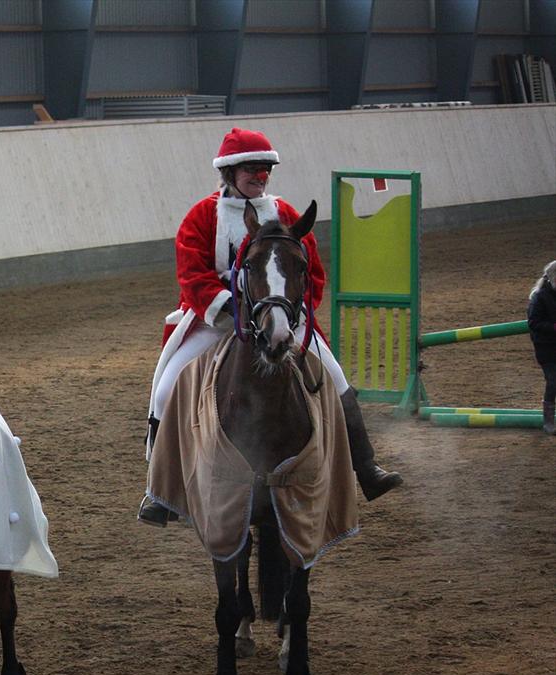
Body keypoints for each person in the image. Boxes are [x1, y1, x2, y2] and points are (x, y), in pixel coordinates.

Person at [139, 128, 401, 526]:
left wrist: (291, 312)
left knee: (336, 376)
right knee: (166, 387)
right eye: (251, 169)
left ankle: (366, 467)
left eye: (264, 170)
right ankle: (159, 492)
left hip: (279, 317)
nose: (259, 177)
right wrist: (229, 305)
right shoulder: (202, 216)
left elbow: (310, 273)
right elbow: (191, 274)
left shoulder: (286, 214)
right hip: (219, 317)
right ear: (230, 172)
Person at [527, 260, 556, 435]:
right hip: (546, 346)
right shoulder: (539, 297)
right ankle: (548, 419)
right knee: (553, 381)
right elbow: (534, 323)